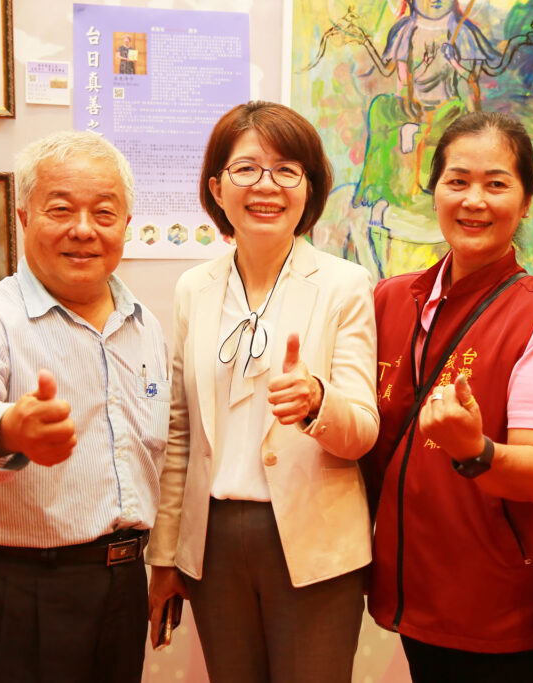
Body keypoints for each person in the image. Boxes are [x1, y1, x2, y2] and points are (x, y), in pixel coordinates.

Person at [0, 131, 169, 682]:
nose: (84, 229)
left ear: (126, 224)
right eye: (61, 209)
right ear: (25, 216)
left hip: (121, 584)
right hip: (16, 589)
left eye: (104, 212)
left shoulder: (144, 325)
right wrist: (8, 428)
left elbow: (162, 454)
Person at [146, 101, 378, 683]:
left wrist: (318, 402)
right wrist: (165, 554)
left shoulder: (345, 285)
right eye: (247, 169)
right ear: (217, 188)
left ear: (309, 187)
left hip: (313, 541)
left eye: (286, 170)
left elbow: (363, 431)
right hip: (213, 541)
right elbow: (180, 432)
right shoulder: (194, 288)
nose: (266, 186)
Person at [364, 110, 533, 682]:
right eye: (458, 181)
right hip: (409, 586)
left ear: (526, 201)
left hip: (495, 600)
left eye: (496, 184)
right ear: (434, 190)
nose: (474, 200)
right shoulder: (390, 300)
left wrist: (475, 450)